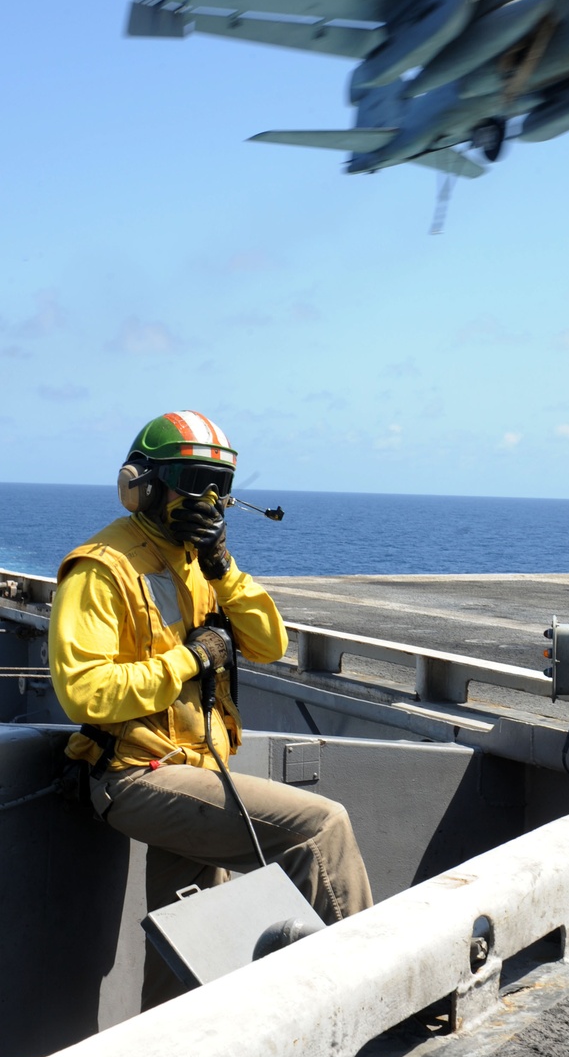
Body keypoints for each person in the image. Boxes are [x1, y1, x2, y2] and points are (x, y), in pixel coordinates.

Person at [49, 410, 372, 1009]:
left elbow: (270, 644)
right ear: (142, 485)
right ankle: (377, 993)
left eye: (218, 488)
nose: (209, 500)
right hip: (135, 776)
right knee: (321, 829)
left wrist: (223, 565)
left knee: (190, 950)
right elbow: (85, 692)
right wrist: (191, 660)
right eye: (193, 483)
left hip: (192, 769)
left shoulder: (197, 561)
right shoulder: (102, 569)